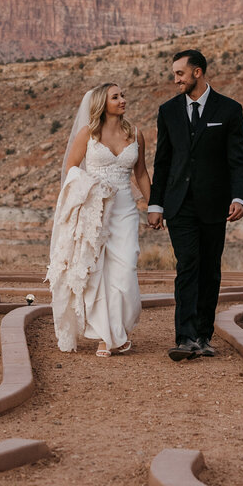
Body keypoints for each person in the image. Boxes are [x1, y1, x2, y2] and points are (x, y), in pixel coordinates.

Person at [147, 49, 243, 360]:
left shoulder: (230, 110)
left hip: (215, 205)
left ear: (198, 73)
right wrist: (156, 204)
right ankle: (186, 337)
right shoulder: (168, 111)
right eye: (175, 73)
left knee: (210, 271)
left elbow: (237, 160)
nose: (175, 79)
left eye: (180, 73)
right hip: (179, 206)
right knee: (188, 265)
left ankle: (204, 335)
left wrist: (238, 196)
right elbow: (162, 162)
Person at [47, 81, 151, 355]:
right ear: (102, 104)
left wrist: (153, 207)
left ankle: (121, 328)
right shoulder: (88, 134)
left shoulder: (136, 134)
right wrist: (90, 191)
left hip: (125, 210)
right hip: (96, 211)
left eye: (122, 95)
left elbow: (140, 174)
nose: (122, 100)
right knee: (99, 272)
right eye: (115, 97)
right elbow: (71, 168)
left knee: (126, 268)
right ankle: (107, 335)